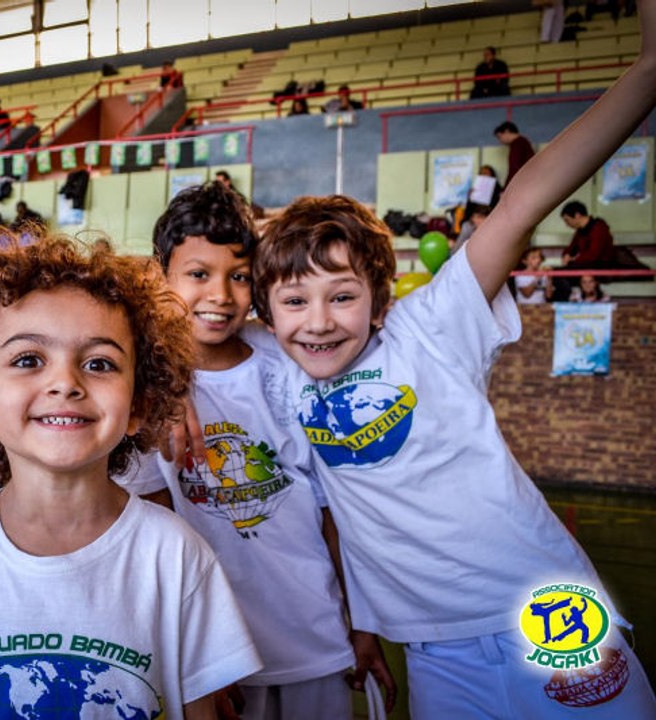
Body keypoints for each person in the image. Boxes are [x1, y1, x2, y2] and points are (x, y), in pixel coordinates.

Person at [243, 10, 656, 715]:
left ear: (380, 301)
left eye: (342, 296)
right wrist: (361, 622)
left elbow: (522, 204)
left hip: (549, 611)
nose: (318, 320)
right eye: (294, 301)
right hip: (432, 649)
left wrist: (647, 72)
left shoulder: (430, 327)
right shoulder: (278, 366)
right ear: (269, 312)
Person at [0, 234, 262, 719]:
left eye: (99, 363)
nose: (65, 383)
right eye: (28, 360)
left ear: (139, 404)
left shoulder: (175, 556)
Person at [121, 183, 395, 719]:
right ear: (162, 279)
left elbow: (332, 512)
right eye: (198, 274)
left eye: (240, 276)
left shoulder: (291, 364)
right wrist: (188, 652)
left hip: (315, 637)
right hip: (218, 653)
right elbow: (153, 532)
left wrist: (363, 623)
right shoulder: (147, 390)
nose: (221, 294)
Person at [494, 121, 536, 186]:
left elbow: (514, 168)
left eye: (499, 137)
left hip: (523, 183)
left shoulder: (518, 144)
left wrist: (507, 188)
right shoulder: (522, 142)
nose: (500, 141)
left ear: (507, 131)